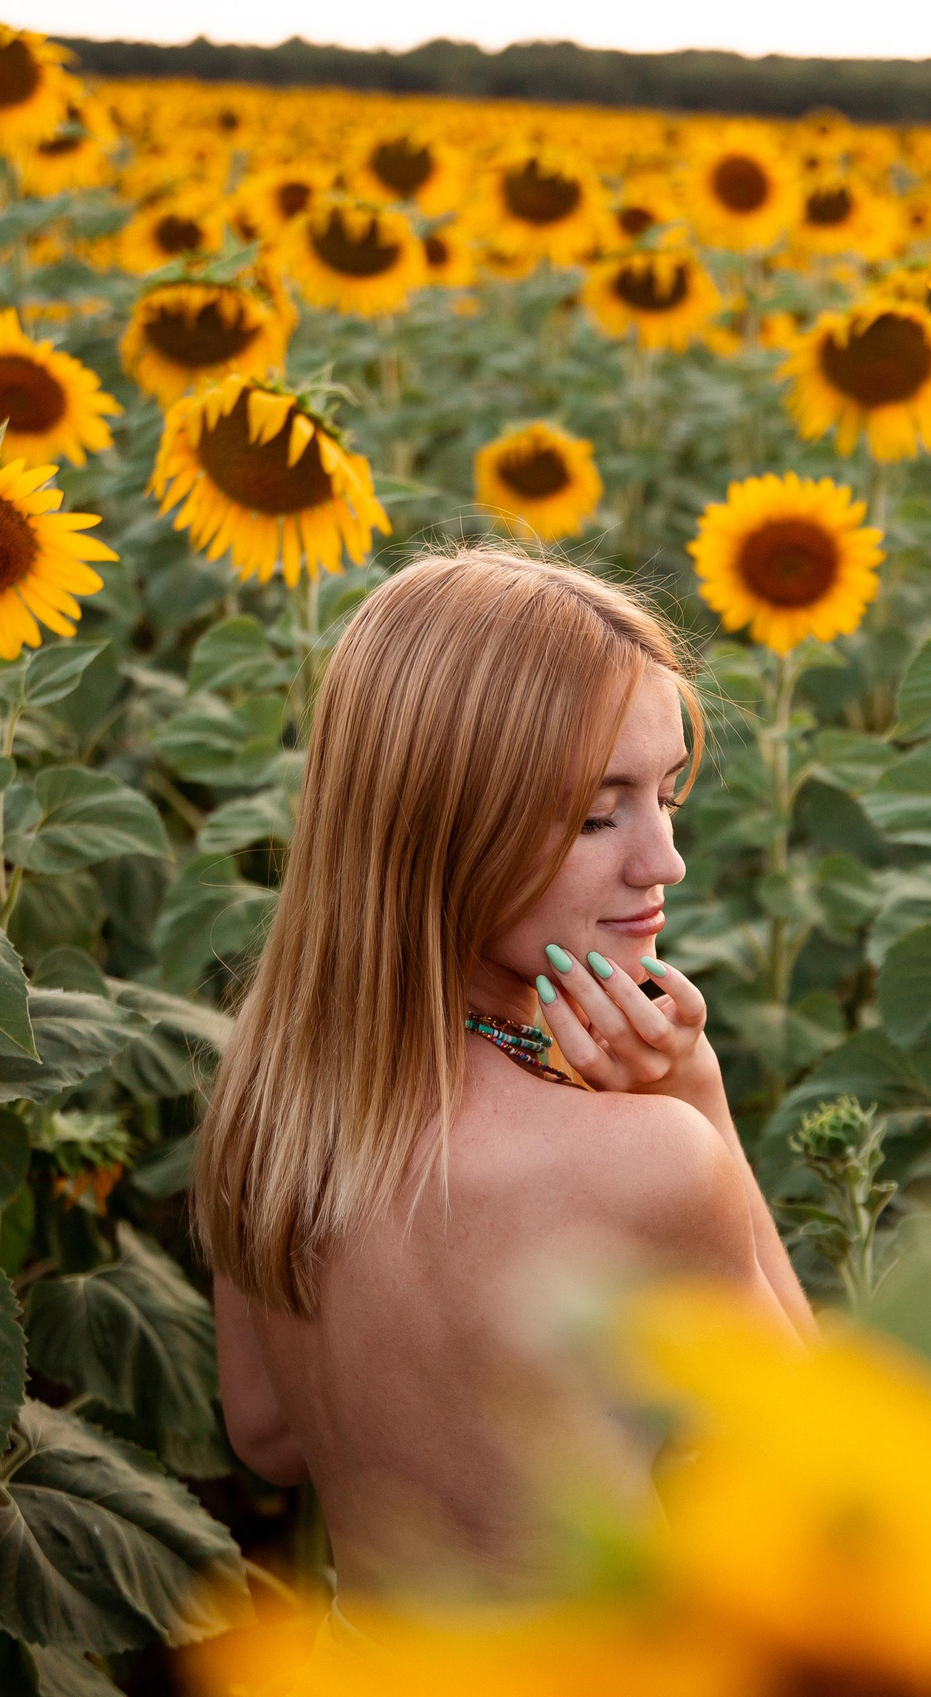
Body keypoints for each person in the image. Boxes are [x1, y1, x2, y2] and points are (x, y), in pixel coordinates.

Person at [195, 545, 814, 1602]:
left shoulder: (269, 1091)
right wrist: (696, 1096)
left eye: (665, 794)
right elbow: (833, 1479)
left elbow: (265, 1437)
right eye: (594, 813)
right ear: (443, 828)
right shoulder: (646, 1158)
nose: (662, 860)